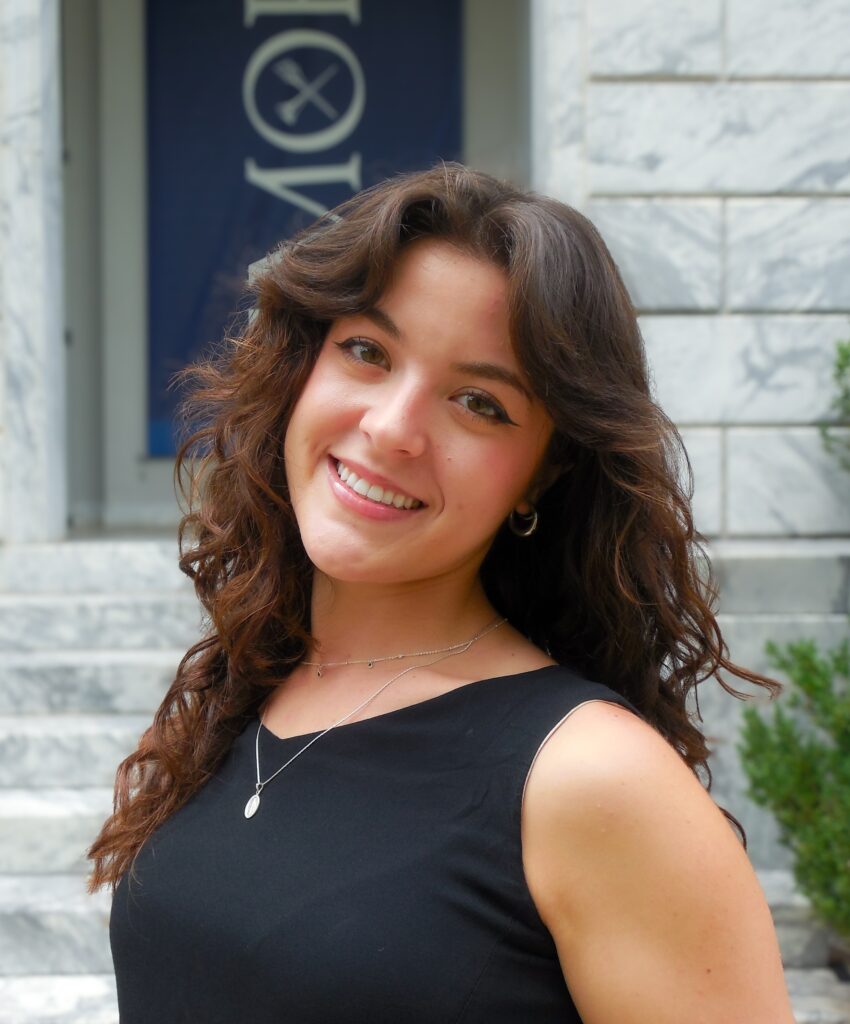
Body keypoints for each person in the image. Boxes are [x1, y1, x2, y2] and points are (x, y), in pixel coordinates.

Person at [89, 162, 796, 1023]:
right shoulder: (245, 687)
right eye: (367, 352)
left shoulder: (594, 779)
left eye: (477, 402)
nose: (392, 428)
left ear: (544, 473)